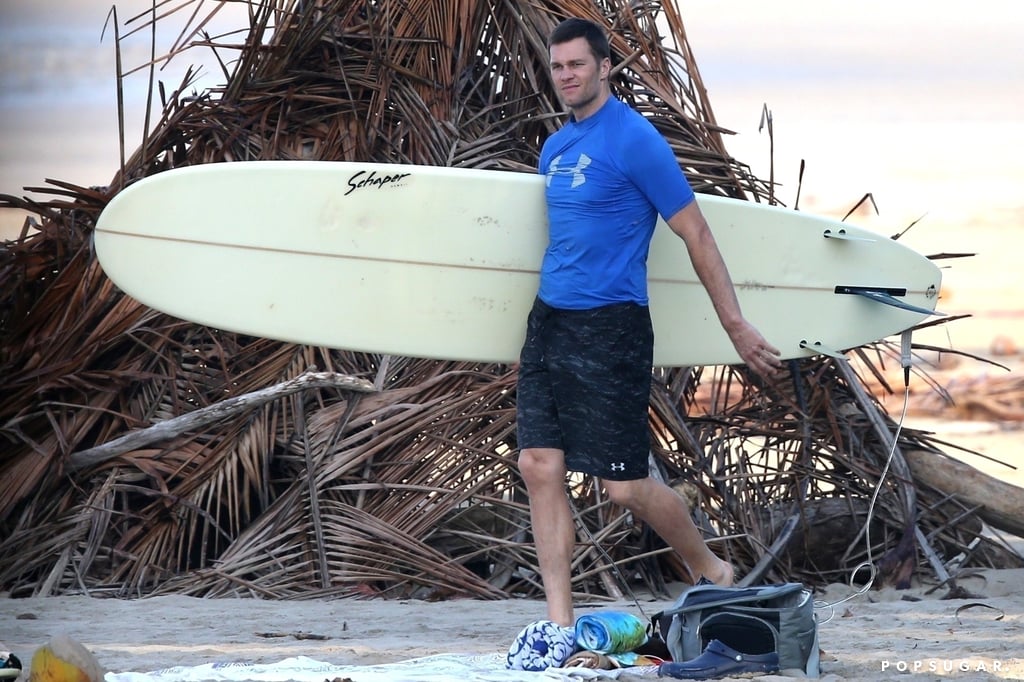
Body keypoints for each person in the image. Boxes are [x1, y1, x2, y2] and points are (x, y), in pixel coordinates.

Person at [515, 17, 784, 628]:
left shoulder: (634, 140)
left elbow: (695, 233)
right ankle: (559, 626)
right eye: (557, 67)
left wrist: (735, 325)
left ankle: (710, 568)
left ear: (604, 67)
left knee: (625, 488)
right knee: (539, 465)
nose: (566, 77)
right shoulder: (554, 148)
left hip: (612, 326)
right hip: (549, 322)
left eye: (576, 65)